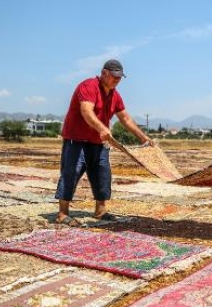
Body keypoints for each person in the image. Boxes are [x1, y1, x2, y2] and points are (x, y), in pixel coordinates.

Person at [54, 59, 154, 227]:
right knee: (71, 173)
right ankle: (62, 214)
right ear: (104, 73)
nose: (117, 80)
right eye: (115, 76)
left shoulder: (114, 95)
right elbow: (86, 111)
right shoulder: (88, 86)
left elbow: (125, 118)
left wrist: (143, 137)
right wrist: (102, 128)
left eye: (120, 77)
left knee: (102, 174)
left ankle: (100, 211)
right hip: (76, 140)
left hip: (98, 143)